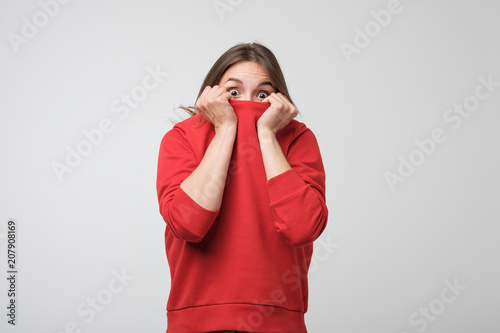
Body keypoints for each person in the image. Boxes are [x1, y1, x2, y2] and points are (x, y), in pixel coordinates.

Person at [156, 42, 328, 333]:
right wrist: (225, 129)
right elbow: (188, 224)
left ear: (278, 99)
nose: (247, 103)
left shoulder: (299, 138)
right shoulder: (182, 137)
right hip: (196, 322)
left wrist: (267, 135)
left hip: (278, 322)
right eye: (233, 92)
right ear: (212, 92)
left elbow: (302, 228)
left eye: (262, 94)